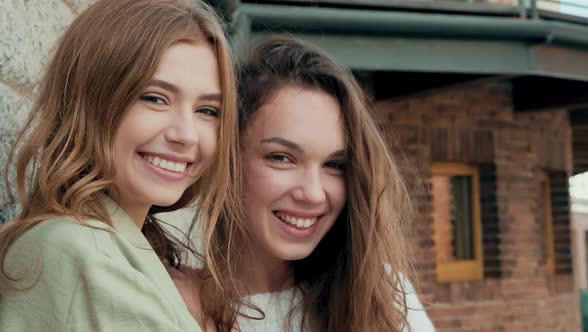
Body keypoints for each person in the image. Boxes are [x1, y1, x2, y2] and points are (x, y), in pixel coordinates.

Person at [0, 0, 240, 331]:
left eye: (208, 110)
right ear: (90, 100)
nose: (187, 135)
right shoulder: (78, 252)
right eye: (155, 98)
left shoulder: (121, 247)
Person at [170, 35, 435, 331]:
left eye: (335, 165)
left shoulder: (383, 296)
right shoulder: (165, 301)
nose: (312, 193)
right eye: (282, 158)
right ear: (228, 159)